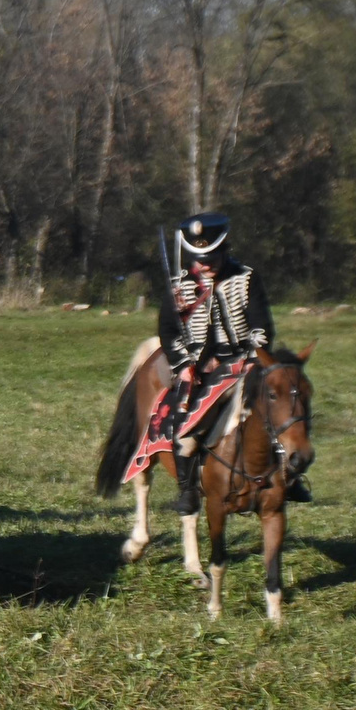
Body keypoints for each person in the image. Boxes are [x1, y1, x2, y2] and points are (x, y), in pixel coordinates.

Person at [148, 212, 303, 506]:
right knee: (182, 419)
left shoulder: (246, 278)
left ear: (224, 249)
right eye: (198, 257)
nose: (204, 264)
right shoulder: (180, 286)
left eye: (210, 257)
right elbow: (167, 331)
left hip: (243, 363)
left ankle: (290, 478)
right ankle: (188, 488)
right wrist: (183, 366)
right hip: (196, 368)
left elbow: (262, 327)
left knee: (281, 408)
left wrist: (249, 357)